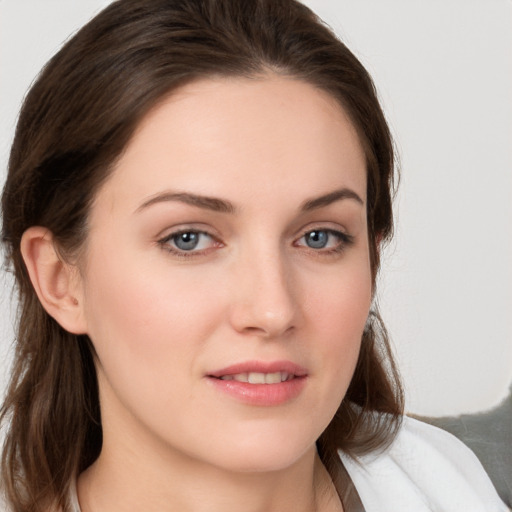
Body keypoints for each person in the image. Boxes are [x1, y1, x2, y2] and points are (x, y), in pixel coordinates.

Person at [0, 1, 507, 511]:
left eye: (319, 237)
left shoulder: (449, 486)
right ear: (60, 278)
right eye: (189, 238)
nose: (273, 310)